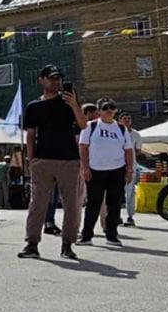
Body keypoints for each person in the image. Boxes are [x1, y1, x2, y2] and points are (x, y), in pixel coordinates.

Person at [18, 65, 86, 260]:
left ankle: (67, 244)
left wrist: (74, 104)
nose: (56, 81)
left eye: (58, 78)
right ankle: (32, 244)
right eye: (51, 78)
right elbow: (30, 136)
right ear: (41, 80)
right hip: (43, 160)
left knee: (71, 204)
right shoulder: (33, 107)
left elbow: (83, 125)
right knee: (37, 203)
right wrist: (32, 161)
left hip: (68, 160)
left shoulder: (68, 102)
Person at [78, 99, 133, 247]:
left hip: (117, 170)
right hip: (95, 170)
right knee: (93, 204)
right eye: (105, 108)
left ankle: (112, 235)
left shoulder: (121, 129)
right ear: (99, 111)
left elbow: (128, 150)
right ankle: (86, 236)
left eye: (112, 108)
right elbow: (83, 147)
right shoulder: (91, 126)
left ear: (115, 111)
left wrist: (129, 170)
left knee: (114, 204)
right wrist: (85, 168)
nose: (109, 110)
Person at [119, 113, 142, 226]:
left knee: (130, 191)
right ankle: (116, 215)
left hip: (131, 166)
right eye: (125, 118)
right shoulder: (116, 132)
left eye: (129, 118)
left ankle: (130, 216)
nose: (127, 120)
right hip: (116, 165)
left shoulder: (136, 134)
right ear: (120, 121)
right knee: (116, 192)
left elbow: (138, 150)